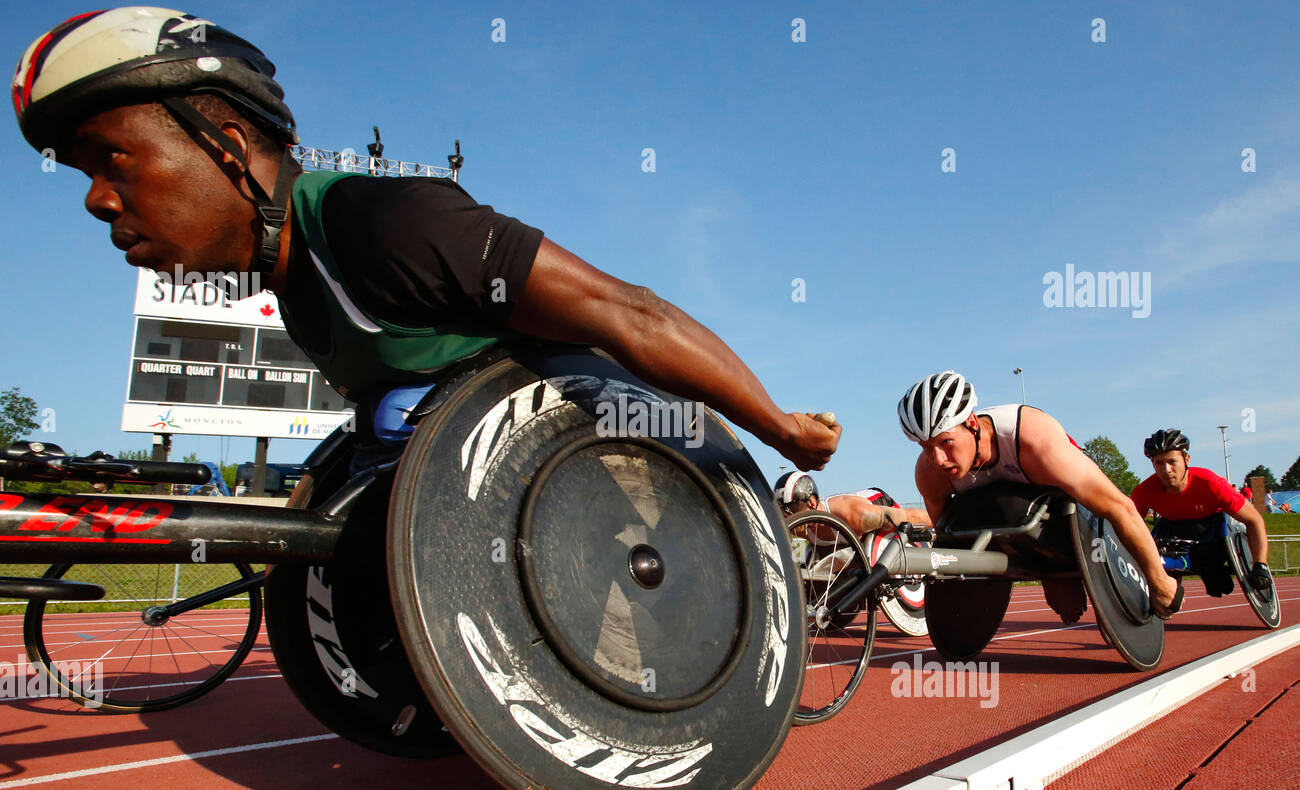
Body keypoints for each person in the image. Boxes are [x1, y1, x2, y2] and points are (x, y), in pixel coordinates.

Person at [13, 7, 840, 473]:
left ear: (227, 146)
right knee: (377, 432)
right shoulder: (299, 284)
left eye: (109, 159)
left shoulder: (383, 221)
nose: (94, 200)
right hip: (501, 489)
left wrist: (780, 430)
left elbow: (632, 312)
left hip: (637, 464)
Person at [899, 371, 1183, 617]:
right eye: (925, 447)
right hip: (1010, 523)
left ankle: (1065, 570)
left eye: (945, 442)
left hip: (1064, 508)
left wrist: (1159, 581)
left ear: (972, 424)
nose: (937, 458)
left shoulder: (1034, 440)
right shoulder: (929, 473)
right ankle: (1052, 572)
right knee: (965, 517)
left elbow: (1120, 508)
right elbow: (951, 541)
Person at [1133, 430, 1271, 597]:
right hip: (1171, 528)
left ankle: (1211, 568)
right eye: (1159, 463)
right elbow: (1129, 525)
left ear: (1186, 460)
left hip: (1211, 528)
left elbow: (1254, 520)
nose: (1166, 469)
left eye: (1172, 461)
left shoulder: (1211, 484)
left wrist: (1260, 565)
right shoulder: (1144, 491)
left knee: (1219, 585)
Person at [772, 471, 931, 533]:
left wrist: (942, 521)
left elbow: (909, 516)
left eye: (791, 509)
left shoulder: (853, 514)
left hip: (875, 505)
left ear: (812, 503)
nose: (788, 517)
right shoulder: (801, 530)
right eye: (783, 511)